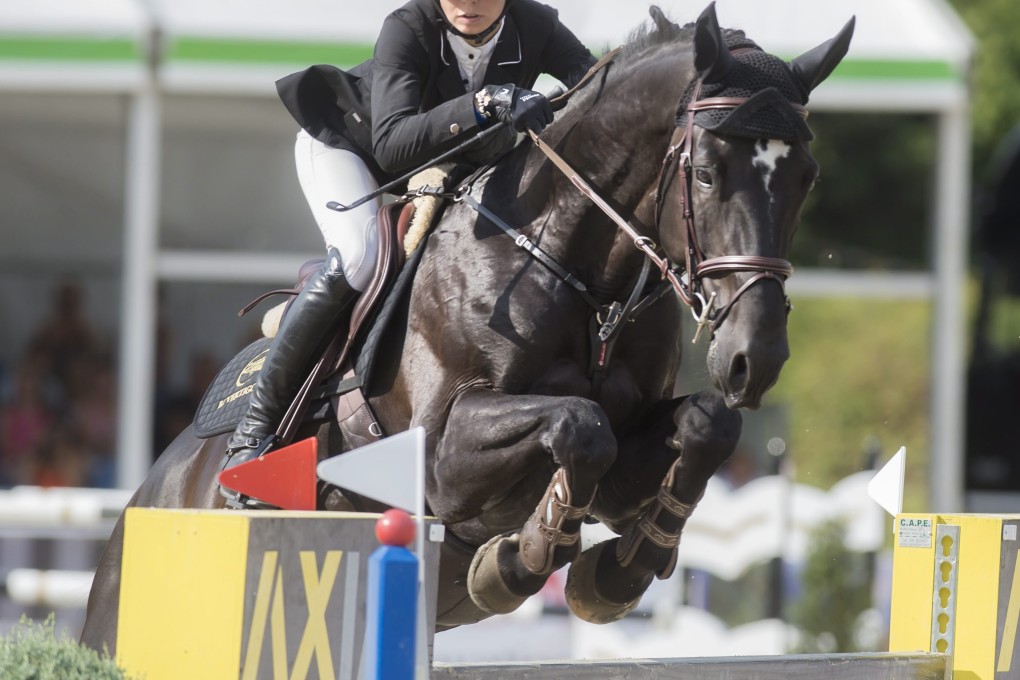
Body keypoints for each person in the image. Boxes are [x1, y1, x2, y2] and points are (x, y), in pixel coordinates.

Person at [220, 0, 597, 502]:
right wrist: (489, 103)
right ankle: (252, 435)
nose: (469, 3)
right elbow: (394, 143)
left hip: (449, 163)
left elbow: (594, 85)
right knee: (360, 258)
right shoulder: (407, 27)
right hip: (353, 151)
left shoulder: (537, 25)